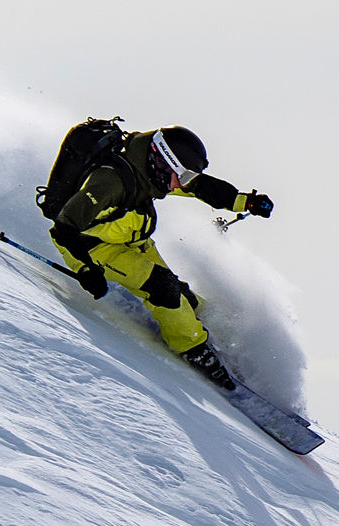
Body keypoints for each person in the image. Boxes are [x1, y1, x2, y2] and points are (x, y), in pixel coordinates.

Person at [45, 124, 273, 389]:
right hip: (97, 250)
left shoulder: (152, 171)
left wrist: (247, 202)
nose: (183, 183)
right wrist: (85, 270)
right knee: (163, 289)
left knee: (184, 296)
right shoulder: (110, 182)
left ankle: (216, 343)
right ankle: (193, 349)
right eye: (182, 176)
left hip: (134, 243)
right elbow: (63, 228)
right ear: (161, 162)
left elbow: (201, 188)